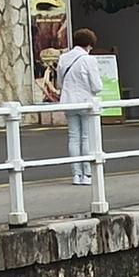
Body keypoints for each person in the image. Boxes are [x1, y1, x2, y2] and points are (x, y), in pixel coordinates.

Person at [53, 27, 102, 185]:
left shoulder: (64, 58)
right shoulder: (89, 60)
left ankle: (76, 175)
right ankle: (87, 175)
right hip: (85, 102)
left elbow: (59, 83)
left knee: (73, 137)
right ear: (89, 45)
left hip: (68, 101)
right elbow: (96, 86)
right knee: (86, 137)